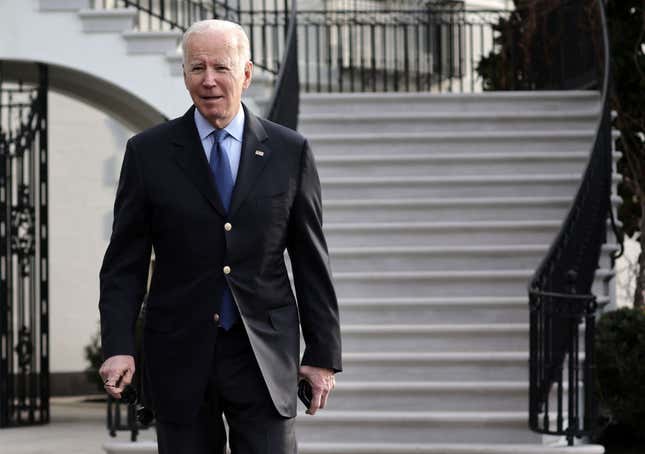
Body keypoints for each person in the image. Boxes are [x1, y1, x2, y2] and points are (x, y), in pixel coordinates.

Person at [97, 19, 342, 454]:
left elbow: (310, 262)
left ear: (246, 74)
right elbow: (124, 264)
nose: (208, 80)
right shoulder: (147, 153)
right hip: (179, 355)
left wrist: (322, 353)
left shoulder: (290, 152)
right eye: (197, 68)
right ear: (185, 74)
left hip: (263, 357)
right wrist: (118, 346)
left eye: (221, 68)